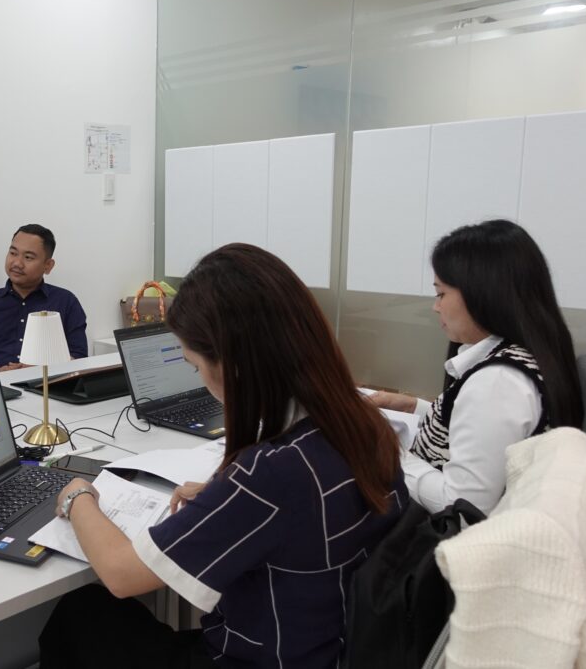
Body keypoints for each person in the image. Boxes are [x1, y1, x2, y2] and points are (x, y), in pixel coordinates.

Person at [39, 243, 406, 668]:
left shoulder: (271, 473)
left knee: (82, 613)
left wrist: (78, 495)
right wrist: (224, 498)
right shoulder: (363, 424)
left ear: (232, 364)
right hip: (332, 645)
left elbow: (122, 574)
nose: (201, 381)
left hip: (261, 656)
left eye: (195, 367)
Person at [370, 219, 582, 514]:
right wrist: (417, 408)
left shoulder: (498, 383)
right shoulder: (518, 356)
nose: (436, 306)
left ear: (483, 294)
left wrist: (390, 452)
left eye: (441, 293)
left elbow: (462, 507)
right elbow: (483, 433)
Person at [0, 224, 87, 370]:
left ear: (48, 266)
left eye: (28, 257)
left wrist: (40, 369)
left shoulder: (66, 302)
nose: (17, 263)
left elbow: (79, 358)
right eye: (13, 253)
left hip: (47, 387)